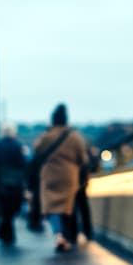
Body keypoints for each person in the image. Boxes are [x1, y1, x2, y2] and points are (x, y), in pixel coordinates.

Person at [33, 104, 87, 252]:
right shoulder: (74, 137)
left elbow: (37, 149)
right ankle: (70, 235)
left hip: (50, 174)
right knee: (68, 207)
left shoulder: (48, 136)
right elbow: (83, 159)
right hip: (69, 175)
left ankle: (59, 234)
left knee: (52, 207)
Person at [0, 123, 27, 244]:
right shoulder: (17, 146)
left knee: (3, 208)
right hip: (14, 183)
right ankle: (7, 232)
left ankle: (4, 231)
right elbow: (23, 164)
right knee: (11, 208)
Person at [72, 144, 99, 244]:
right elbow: (89, 166)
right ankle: (88, 232)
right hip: (82, 184)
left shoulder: (70, 153)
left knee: (73, 208)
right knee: (84, 207)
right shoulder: (84, 153)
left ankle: (73, 234)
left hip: (71, 185)